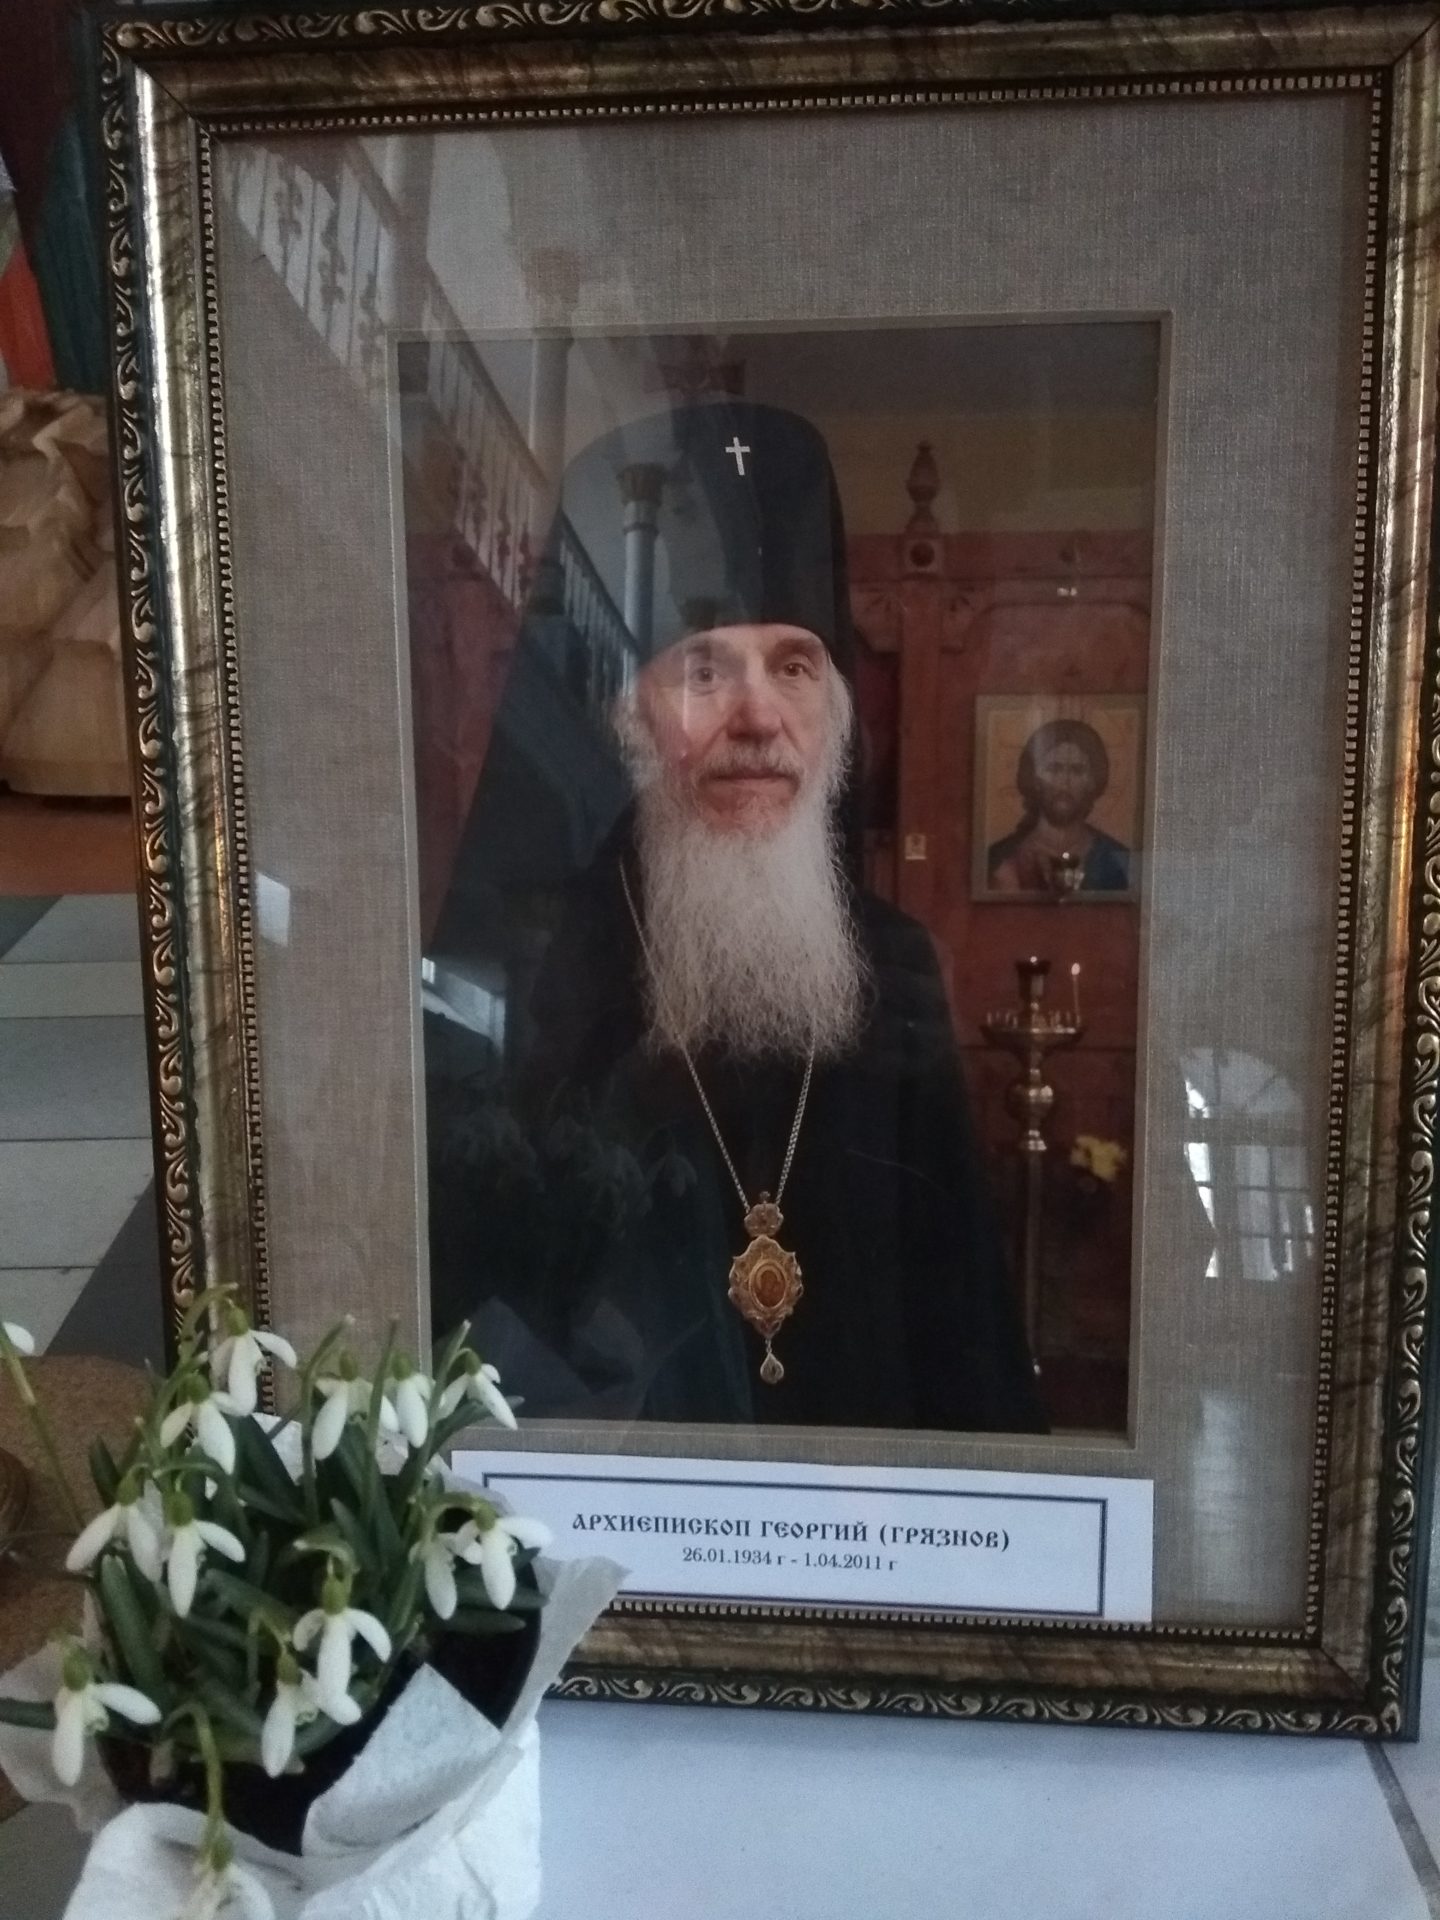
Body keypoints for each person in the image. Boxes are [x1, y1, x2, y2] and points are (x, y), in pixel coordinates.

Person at [424, 400, 1043, 1433]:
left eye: (794, 666)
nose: (758, 716)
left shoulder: (890, 962)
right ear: (633, 713)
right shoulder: (547, 955)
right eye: (705, 669)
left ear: (835, 713)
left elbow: (959, 1312)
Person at [987, 719, 1131, 895]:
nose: (1065, 781)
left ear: (1093, 781)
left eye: (1077, 770)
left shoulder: (1117, 860)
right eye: (1054, 769)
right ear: (1034, 778)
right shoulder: (1000, 858)